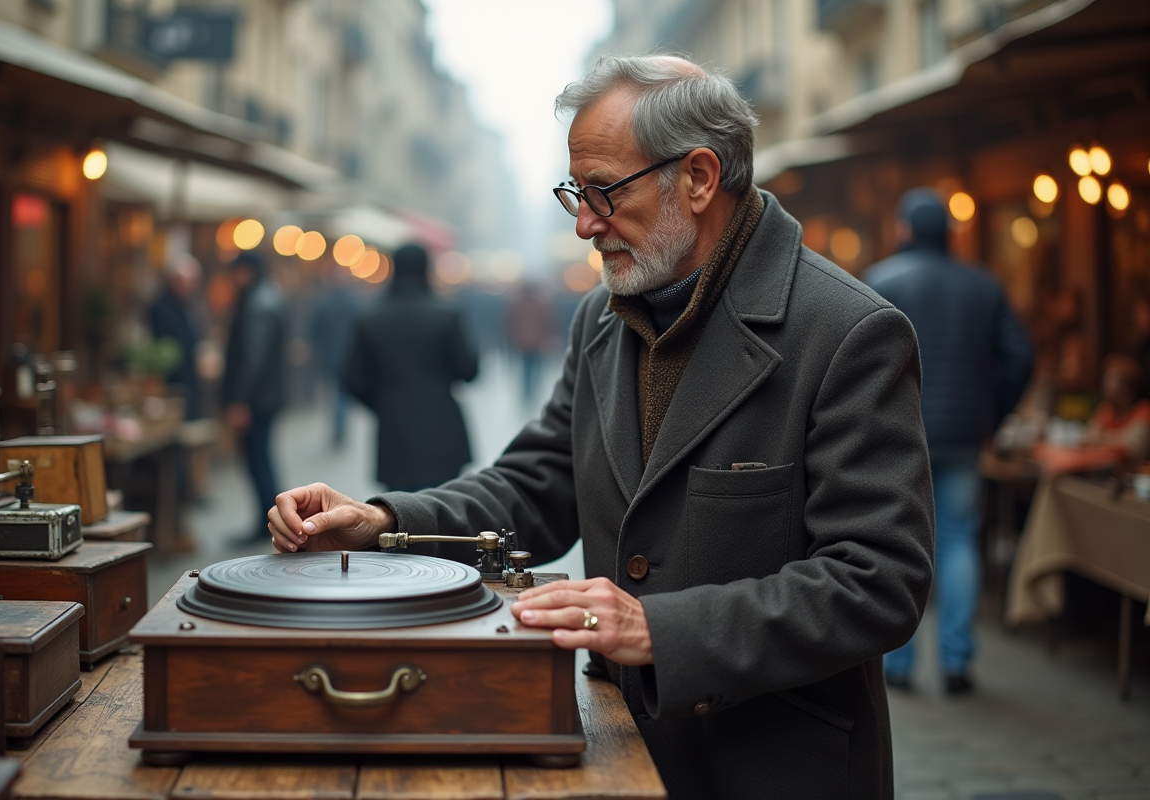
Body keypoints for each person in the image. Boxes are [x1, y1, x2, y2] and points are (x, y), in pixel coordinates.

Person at [270, 56, 934, 799]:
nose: (585, 223)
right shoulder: (602, 317)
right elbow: (540, 479)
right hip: (619, 745)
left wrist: (661, 629)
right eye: (573, 195)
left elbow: (880, 581)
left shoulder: (849, 330)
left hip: (769, 765)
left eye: (602, 193)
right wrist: (383, 520)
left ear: (700, 177)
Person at [864, 188, 1034, 696]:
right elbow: (1020, 354)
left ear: (905, 230)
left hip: (901, 432)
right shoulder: (983, 285)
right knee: (959, 538)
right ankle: (957, 662)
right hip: (964, 434)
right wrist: (994, 412)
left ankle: (898, 664)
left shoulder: (882, 279)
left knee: (896, 537)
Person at [341, 243, 478, 492]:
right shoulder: (446, 315)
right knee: (441, 513)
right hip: (442, 429)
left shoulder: (370, 318)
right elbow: (469, 370)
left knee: (399, 517)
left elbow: (352, 379)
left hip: (395, 432)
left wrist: (383, 402)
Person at [220, 249, 288, 545]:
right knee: (261, 458)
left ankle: (270, 520)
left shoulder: (257, 303)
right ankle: (272, 518)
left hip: (257, 400)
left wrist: (240, 400)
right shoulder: (270, 296)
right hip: (267, 396)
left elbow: (253, 359)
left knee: (257, 460)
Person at [148, 253, 204, 421]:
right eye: (187, 281)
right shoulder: (162, 308)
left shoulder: (187, 305)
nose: (190, 286)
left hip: (190, 379)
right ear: (173, 280)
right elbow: (165, 348)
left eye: (194, 281)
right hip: (173, 381)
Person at [309, 264, 358, 447]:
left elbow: (314, 332)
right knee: (342, 396)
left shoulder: (324, 304)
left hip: (330, 357)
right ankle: (340, 427)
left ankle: (338, 427)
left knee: (335, 395)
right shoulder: (354, 303)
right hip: (349, 357)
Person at [1084, 354, 1150, 462]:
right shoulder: (1106, 409)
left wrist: (1101, 439)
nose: (1104, 387)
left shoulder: (1144, 411)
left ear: (1127, 390)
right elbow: (1087, 438)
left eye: (1110, 381)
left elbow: (1134, 448)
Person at [504, 281, 558, 404]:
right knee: (536, 367)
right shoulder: (541, 305)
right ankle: (532, 390)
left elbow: (509, 323)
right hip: (538, 342)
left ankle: (527, 391)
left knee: (526, 367)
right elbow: (549, 323)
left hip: (522, 342)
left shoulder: (516, 305)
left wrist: (511, 337)